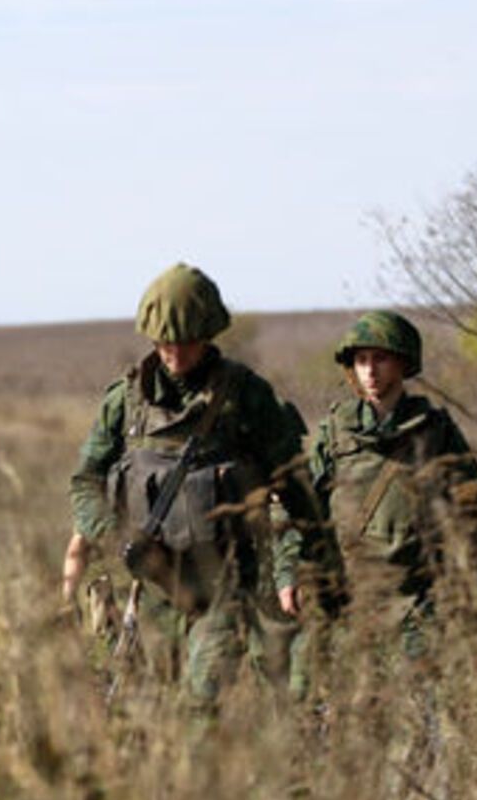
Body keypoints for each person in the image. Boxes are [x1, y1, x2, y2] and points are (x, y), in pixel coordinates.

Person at [64, 263, 322, 714]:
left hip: (227, 584)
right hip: (154, 588)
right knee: (152, 716)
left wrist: (309, 563)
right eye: (165, 344)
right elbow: (85, 480)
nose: (175, 354)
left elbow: (294, 482)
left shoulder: (246, 395)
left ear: (208, 336)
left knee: (199, 707)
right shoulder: (125, 402)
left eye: (186, 343)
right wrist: (112, 534)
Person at [303, 310, 477, 655]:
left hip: (421, 597)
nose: (369, 370)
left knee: (420, 698)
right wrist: (290, 576)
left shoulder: (434, 430)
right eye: (361, 360)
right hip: (353, 598)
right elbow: (301, 506)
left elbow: (476, 508)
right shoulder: (336, 432)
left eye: (380, 359)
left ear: (402, 363)